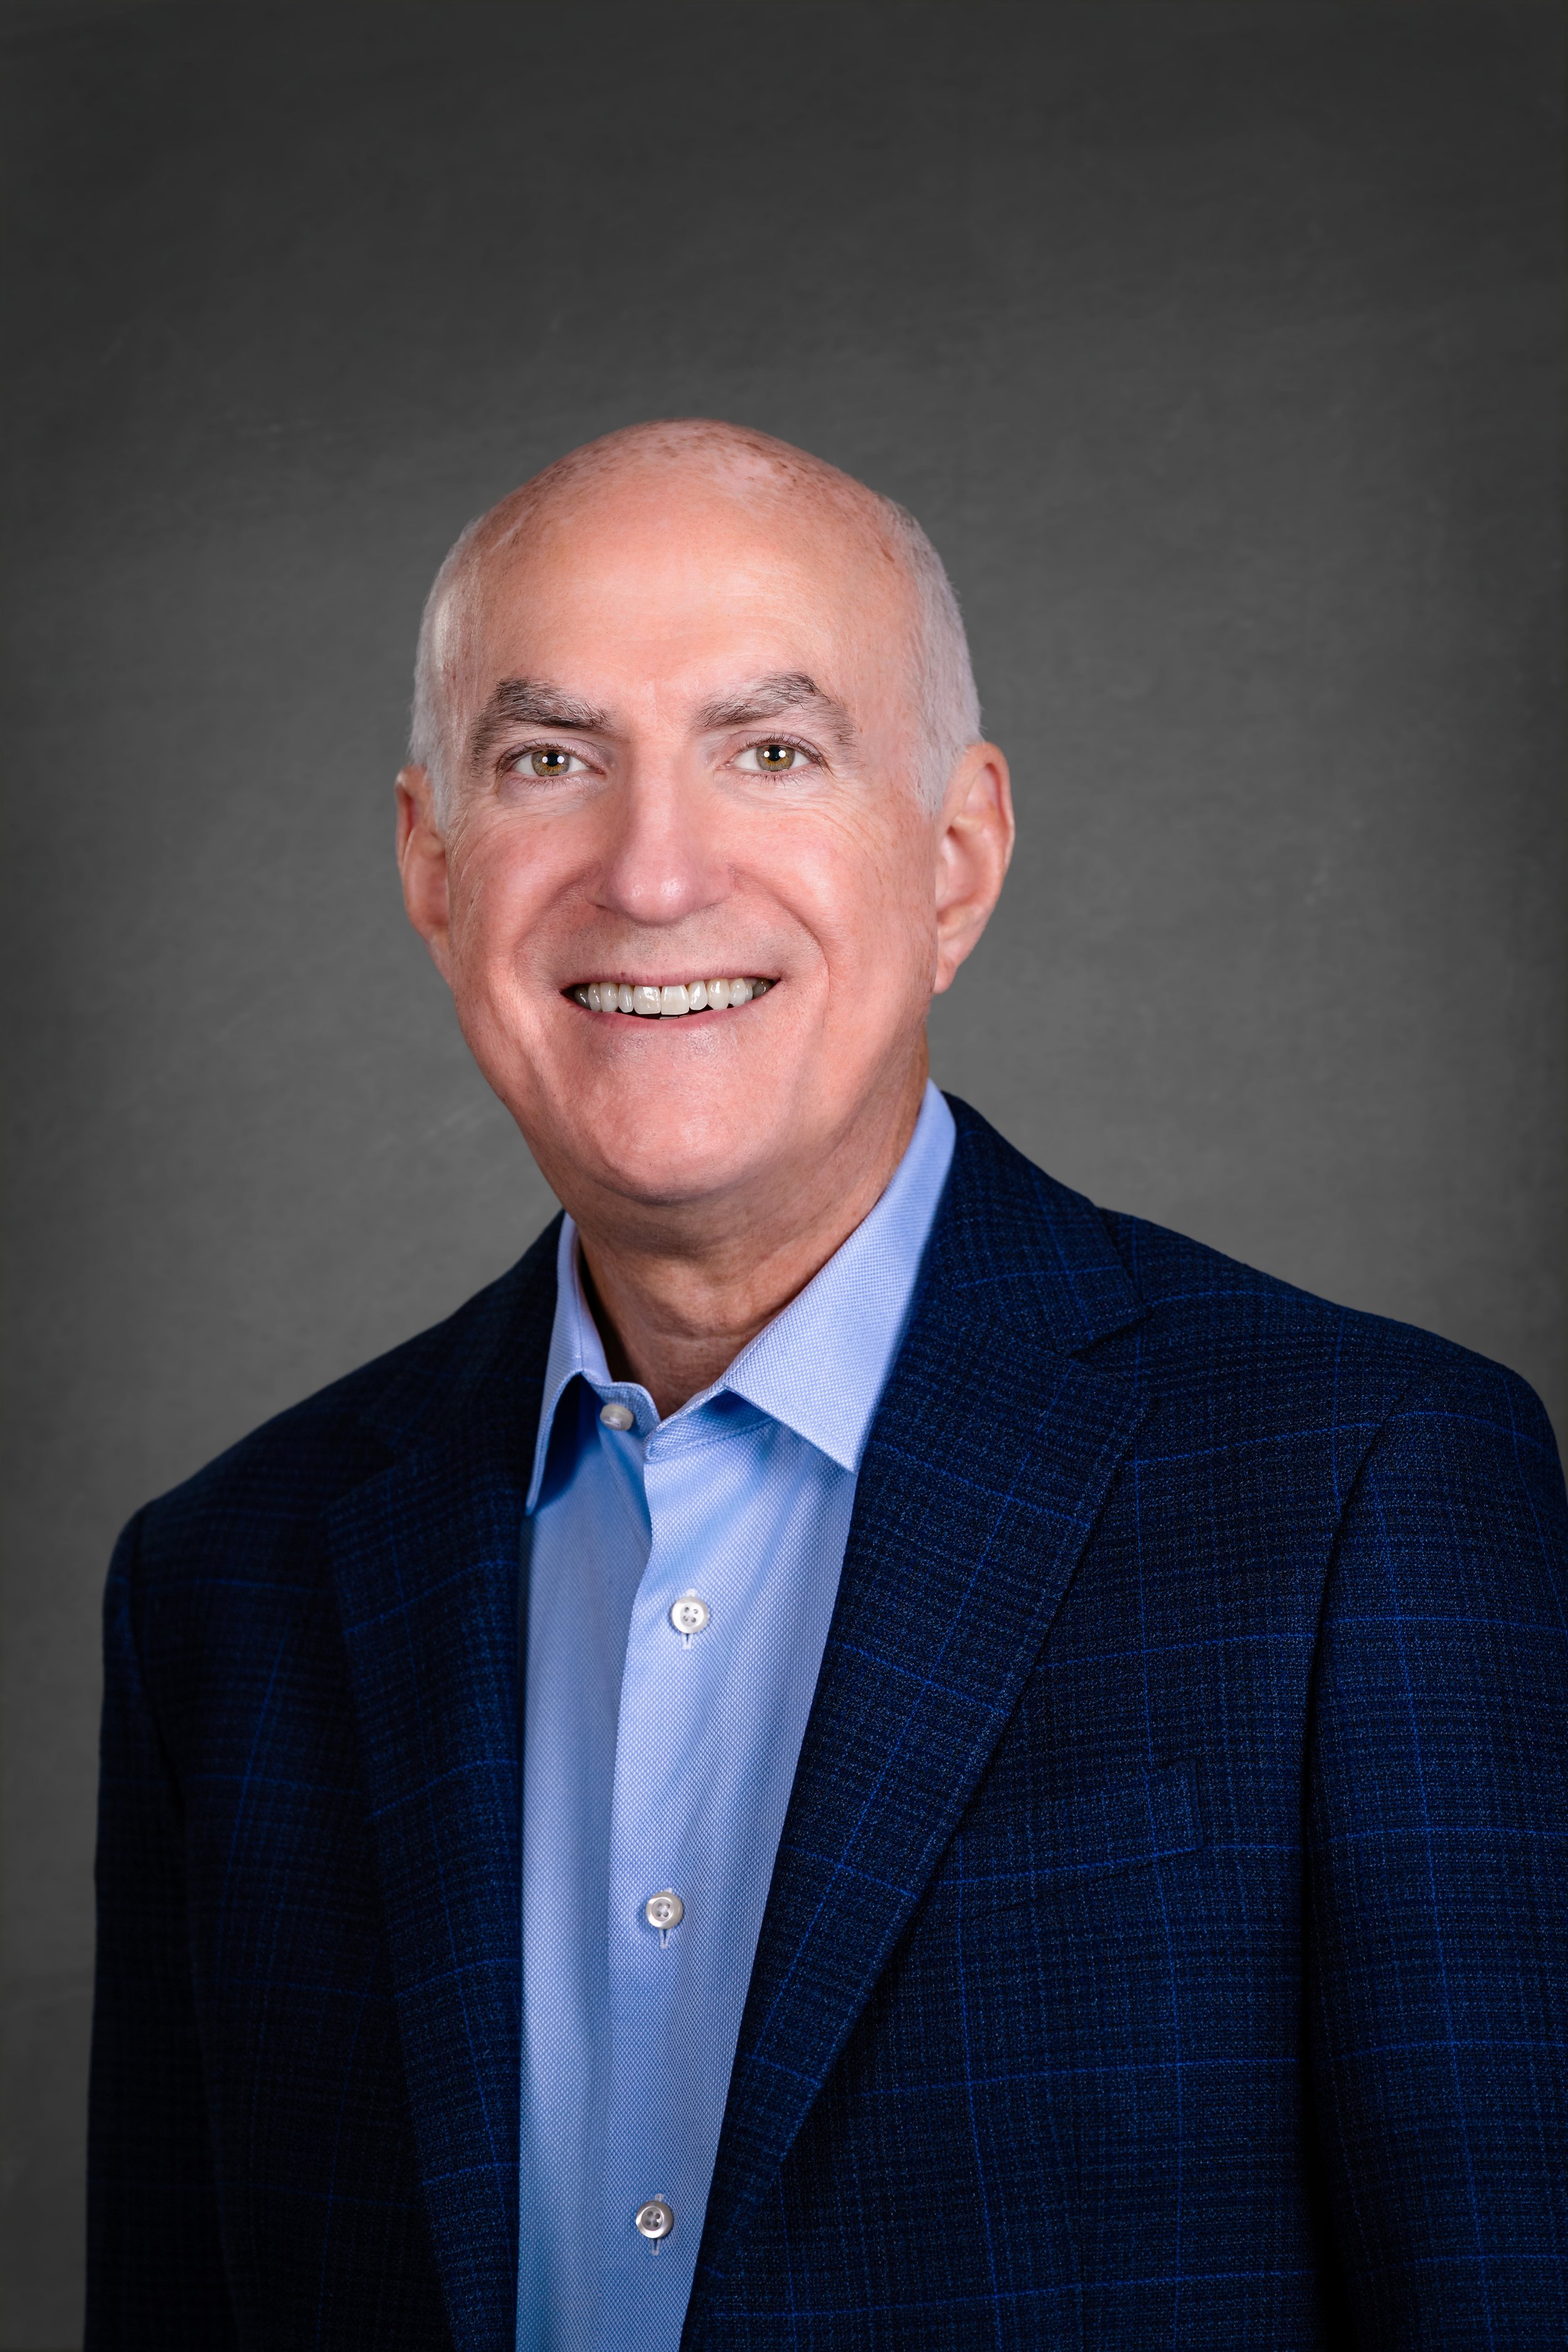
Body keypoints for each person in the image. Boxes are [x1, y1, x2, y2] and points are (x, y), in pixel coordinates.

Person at [86, 419, 1568, 2352]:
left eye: (768, 751)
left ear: (953, 859)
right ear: (430, 865)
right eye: (550, 762)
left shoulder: (1370, 1490)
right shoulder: (225, 1587)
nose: (651, 870)